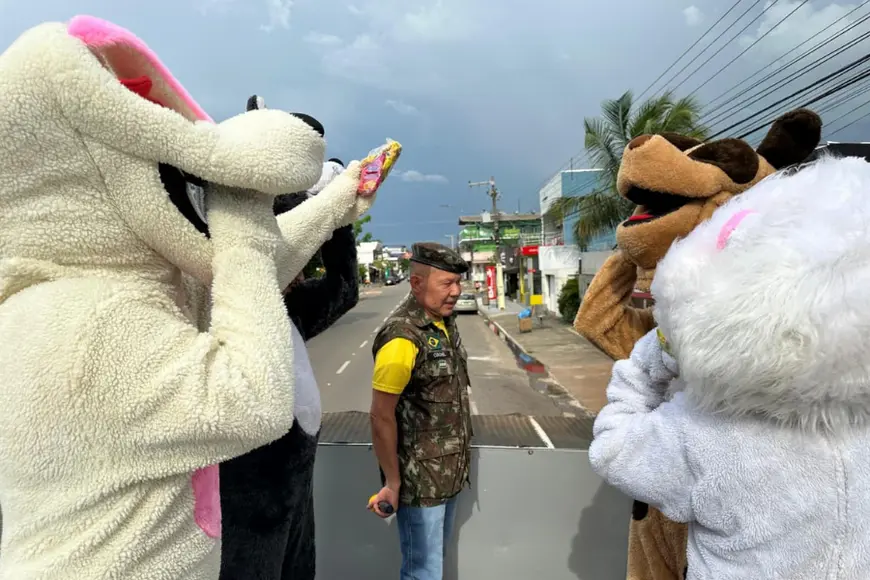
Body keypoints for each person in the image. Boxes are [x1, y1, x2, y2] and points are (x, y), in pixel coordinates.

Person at [219, 158, 360, 580]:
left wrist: (337, 216)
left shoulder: (292, 310)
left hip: (297, 499)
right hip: (245, 510)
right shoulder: (223, 315)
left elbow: (344, 289)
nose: (299, 271)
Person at [368, 242, 473, 580]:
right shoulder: (402, 338)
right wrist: (393, 482)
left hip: (449, 475)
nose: (456, 292)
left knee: (433, 567)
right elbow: (380, 415)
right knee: (422, 572)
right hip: (420, 484)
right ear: (416, 283)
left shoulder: (442, 322)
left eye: (458, 283)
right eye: (447, 283)